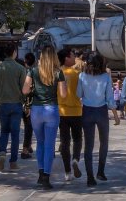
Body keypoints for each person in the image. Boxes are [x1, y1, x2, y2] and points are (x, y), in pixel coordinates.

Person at [25, 45, 65, 190]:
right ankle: (46, 178)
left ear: (41, 56)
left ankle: (40, 174)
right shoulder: (58, 73)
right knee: (49, 144)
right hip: (52, 110)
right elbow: (64, 94)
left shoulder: (33, 71)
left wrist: (34, 89)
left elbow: (24, 90)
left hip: (36, 110)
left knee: (40, 143)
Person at [76, 52, 113, 186]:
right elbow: (110, 97)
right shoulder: (106, 77)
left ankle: (90, 176)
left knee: (89, 145)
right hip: (102, 110)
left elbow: (78, 94)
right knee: (104, 142)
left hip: (87, 111)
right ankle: (101, 172)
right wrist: (115, 113)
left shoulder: (82, 76)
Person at [0, 45, 25, 173]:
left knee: (4, 131)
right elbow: (24, 89)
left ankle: (2, 153)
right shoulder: (20, 68)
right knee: (15, 134)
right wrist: (26, 103)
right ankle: (13, 162)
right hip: (16, 103)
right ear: (14, 52)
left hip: (2, 103)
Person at [57, 48, 83, 183]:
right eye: (73, 56)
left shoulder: (56, 73)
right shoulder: (77, 74)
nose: (75, 58)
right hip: (77, 111)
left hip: (61, 112)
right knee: (77, 139)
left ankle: (67, 172)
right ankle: (76, 159)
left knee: (64, 142)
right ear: (66, 58)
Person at [20, 51, 36, 159]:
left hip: (22, 102)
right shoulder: (33, 73)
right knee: (29, 127)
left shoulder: (21, 72)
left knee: (27, 126)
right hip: (30, 103)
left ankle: (28, 146)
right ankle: (25, 150)